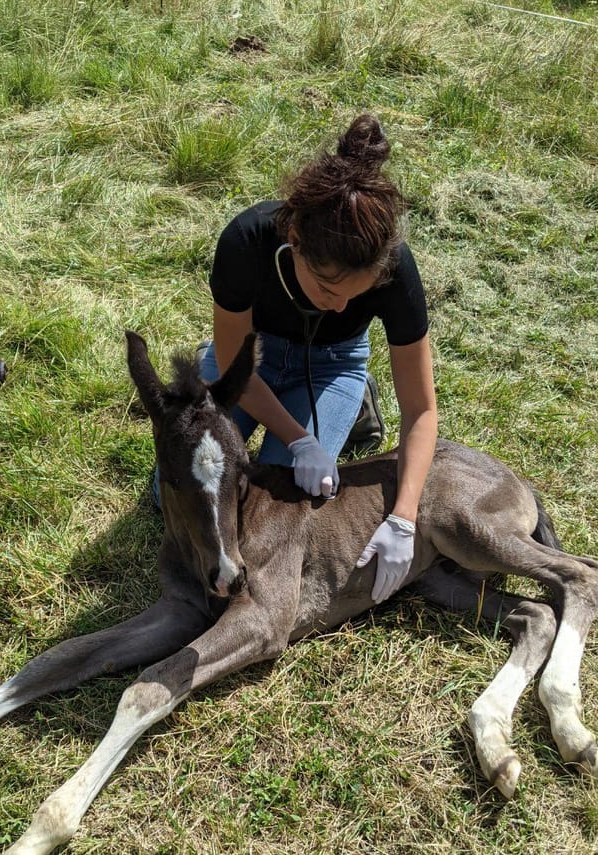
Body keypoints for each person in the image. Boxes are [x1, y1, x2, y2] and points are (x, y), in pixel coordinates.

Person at [175, 113, 437, 604]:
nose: (339, 306)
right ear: (293, 242)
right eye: (327, 289)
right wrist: (301, 440)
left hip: (335, 363)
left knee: (275, 500)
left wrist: (404, 516)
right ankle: (305, 415)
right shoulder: (246, 241)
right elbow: (238, 369)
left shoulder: (397, 271)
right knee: (182, 491)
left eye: (354, 297)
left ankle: (353, 399)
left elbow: (421, 410)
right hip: (247, 360)